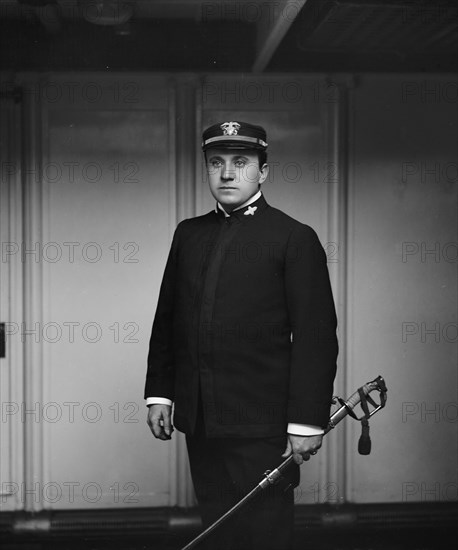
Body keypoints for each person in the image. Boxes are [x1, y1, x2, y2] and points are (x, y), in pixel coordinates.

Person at [145, 121, 338, 550]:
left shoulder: (293, 237)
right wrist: (160, 393)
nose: (227, 174)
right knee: (218, 532)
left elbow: (316, 335)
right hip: (201, 421)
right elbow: (168, 319)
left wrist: (308, 421)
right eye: (216, 163)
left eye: (241, 163)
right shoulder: (188, 234)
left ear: (263, 172)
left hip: (261, 426)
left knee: (263, 536)